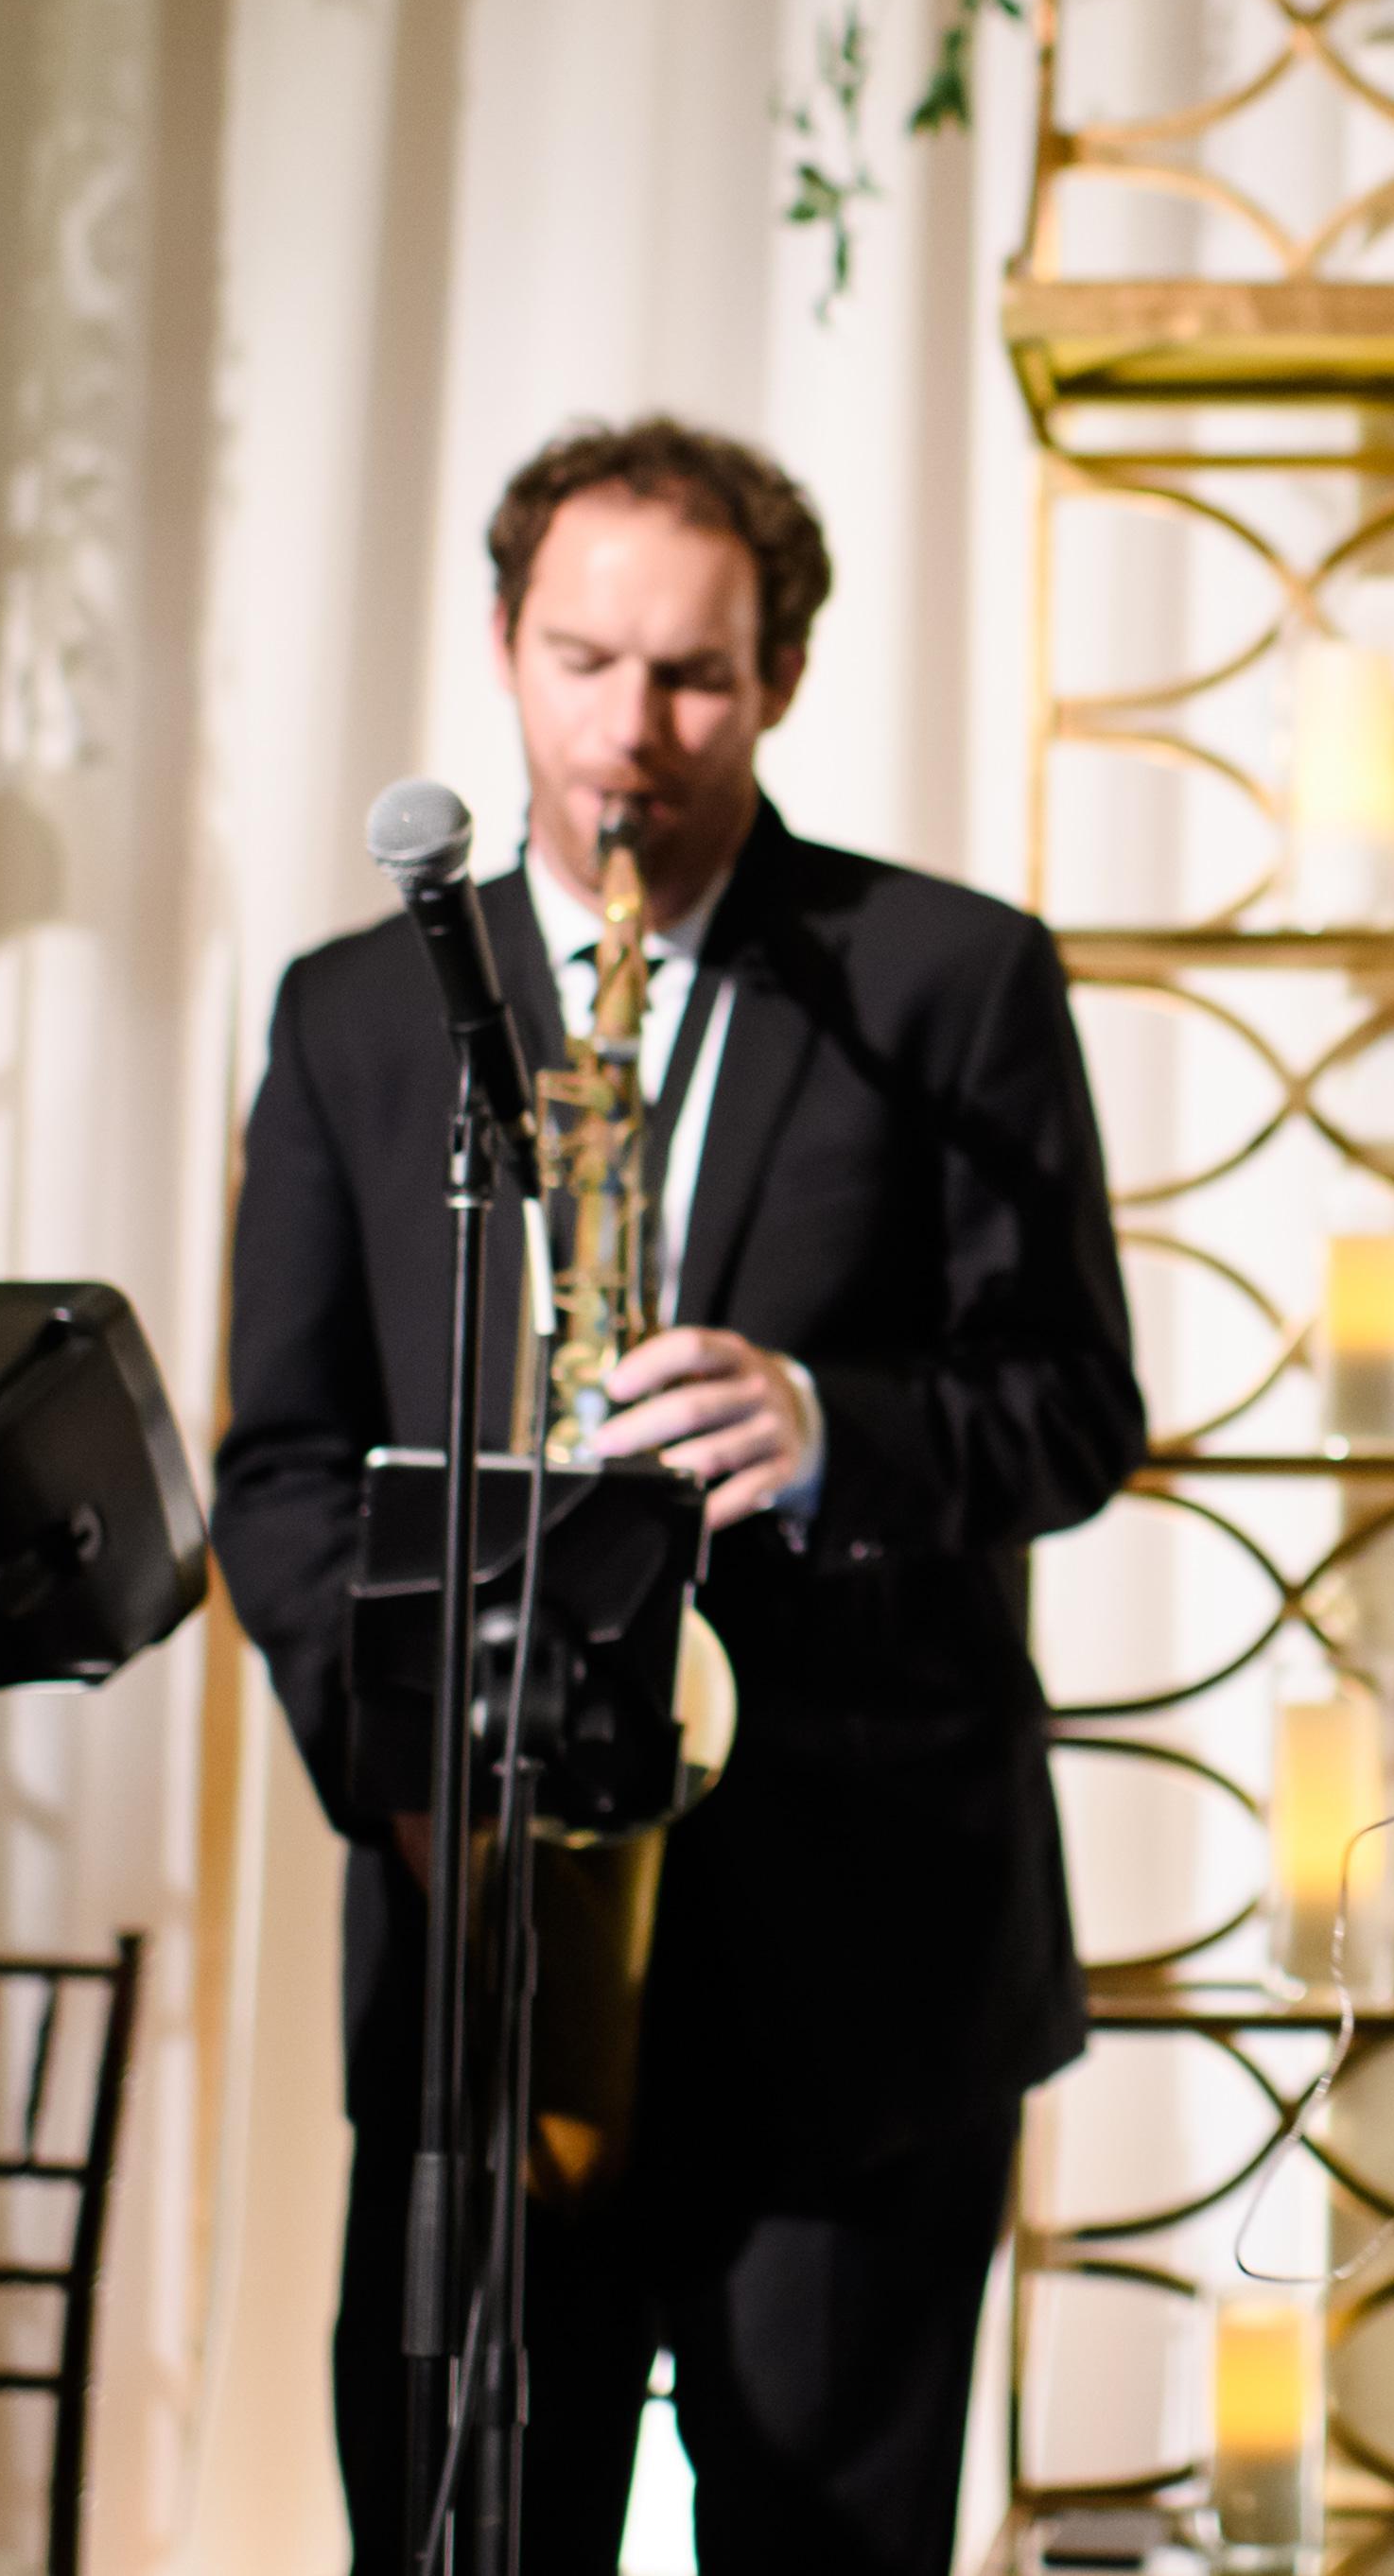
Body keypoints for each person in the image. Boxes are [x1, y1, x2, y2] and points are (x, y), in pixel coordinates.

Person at [215, 416, 1141, 2576]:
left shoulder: (951, 977)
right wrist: (416, 1762)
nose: (630, 729)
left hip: (856, 1956)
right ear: (501, 644)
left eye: (694, 676)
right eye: (582, 660)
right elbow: (279, 1466)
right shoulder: (356, 1013)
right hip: (480, 1952)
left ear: (782, 676)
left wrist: (830, 1427)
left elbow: (1074, 1409)